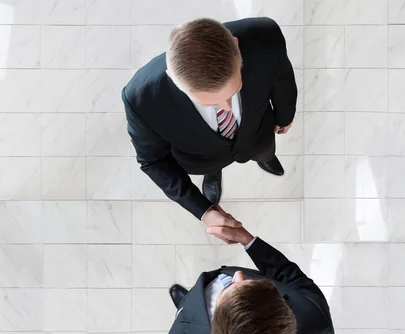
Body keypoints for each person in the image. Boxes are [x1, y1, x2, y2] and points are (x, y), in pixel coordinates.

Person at [122, 17, 297, 234]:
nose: (226, 107)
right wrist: (204, 211)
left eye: (233, 92)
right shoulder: (141, 98)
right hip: (203, 156)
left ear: (236, 46)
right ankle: (214, 173)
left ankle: (264, 156)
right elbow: (153, 161)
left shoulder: (266, 38)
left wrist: (285, 116)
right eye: (211, 103)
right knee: (213, 164)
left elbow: (282, 77)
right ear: (173, 80)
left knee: (264, 149)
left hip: (258, 131)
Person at [144, 225, 335, 334]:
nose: (238, 274)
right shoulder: (319, 327)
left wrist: (186, 311)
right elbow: (292, 278)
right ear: (286, 312)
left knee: (187, 306)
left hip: (190, 318)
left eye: (228, 288)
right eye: (252, 283)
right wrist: (248, 240)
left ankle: (186, 304)